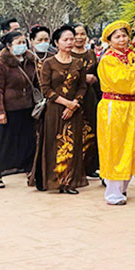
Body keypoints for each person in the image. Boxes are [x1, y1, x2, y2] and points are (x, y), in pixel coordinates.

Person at [97, 21, 135, 205]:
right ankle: (112, 192)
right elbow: (125, 82)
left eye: (124, 35)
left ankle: (123, 188)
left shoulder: (132, 56)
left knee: (133, 146)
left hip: (131, 106)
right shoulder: (108, 59)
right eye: (117, 37)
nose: (122, 40)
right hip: (115, 105)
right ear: (109, 40)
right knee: (116, 147)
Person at [30, 25, 89, 194]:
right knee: (54, 144)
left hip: (75, 110)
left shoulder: (78, 63)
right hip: (55, 110)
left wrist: (74, 104)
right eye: (66, 39)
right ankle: (54, 180)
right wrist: (66, 103)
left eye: (72, 39)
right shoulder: (48, 64)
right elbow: (46, 89)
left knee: (73, 144)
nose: (70, 42)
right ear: (57, 42)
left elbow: (82, 86)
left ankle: (69, 182)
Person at [0, 31, 37, 188]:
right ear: (9, 46)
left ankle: (30, 171)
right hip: (9, 110)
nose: (22, 46)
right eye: (18, 43)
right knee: (4, 142)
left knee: (28, 141)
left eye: (24, 42)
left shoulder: (31, 61)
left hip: (27, 108)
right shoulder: (1, 65)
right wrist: (0, 112)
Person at [72, 23, 100, 179]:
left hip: (90, 98)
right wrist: (84, 78)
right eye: (76, 34)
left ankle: (89, 166)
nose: (79, 37)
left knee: (91, 132)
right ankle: (76, 168)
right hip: (72, 98)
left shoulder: (91, 54)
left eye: (82, 34)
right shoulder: (66, 54)